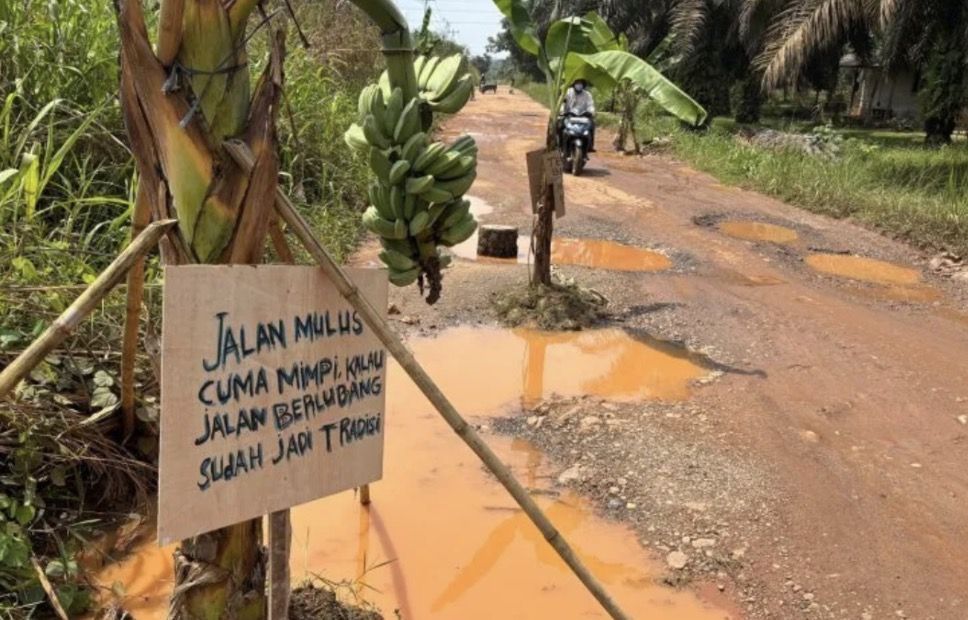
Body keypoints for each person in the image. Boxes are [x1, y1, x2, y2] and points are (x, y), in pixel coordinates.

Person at [561, 79, 596, 151]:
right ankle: (560, 144)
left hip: (582, 117)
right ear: (574, 84)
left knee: (592, 124)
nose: (579, 85)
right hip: (569, 115)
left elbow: (590, 105)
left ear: (583, 85)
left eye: (581, 83)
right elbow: (562, 103)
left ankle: (590, 146)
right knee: (560, 124)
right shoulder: (567, 92)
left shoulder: (587, 95)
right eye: (577, 83)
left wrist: (591, 112)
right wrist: (562, 111)